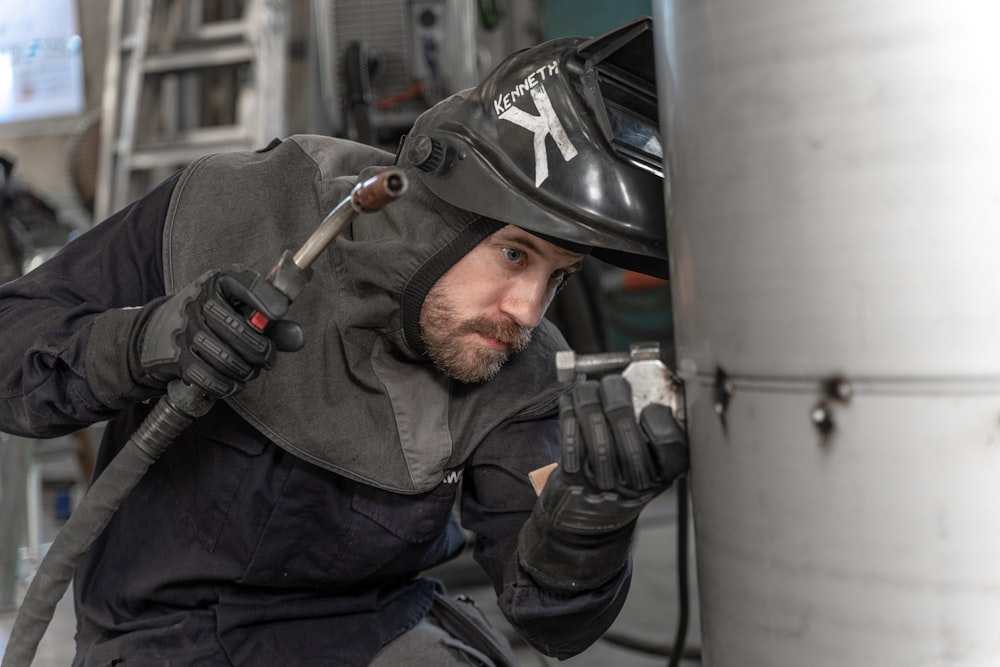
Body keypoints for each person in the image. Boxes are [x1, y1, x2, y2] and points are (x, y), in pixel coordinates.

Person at [0, 17, 688, 667]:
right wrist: (142, 340)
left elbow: (548, 615)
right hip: (159, 637)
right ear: (439, 216)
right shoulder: (230, 209)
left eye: (558, 277)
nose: (527, 312)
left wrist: (587, 523)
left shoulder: (517, 370)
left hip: (373, 633)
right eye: (515, 255)